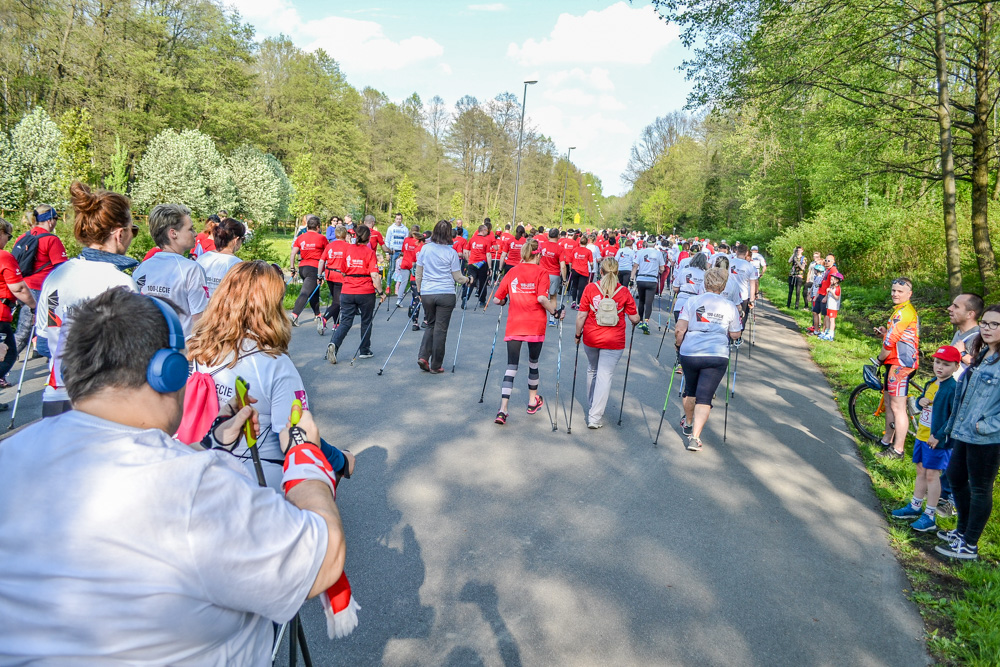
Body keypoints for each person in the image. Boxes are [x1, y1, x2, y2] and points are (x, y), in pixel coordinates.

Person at [0, 287, 348, 663]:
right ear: (169, 371)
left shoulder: (11, 451)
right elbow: (324, 559)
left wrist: (215, 437)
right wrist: (306, 457)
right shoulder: (196, 486)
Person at [188, 260, 353, 488]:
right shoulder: (275, 363)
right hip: (255, 478)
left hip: (197, 465)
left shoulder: (193, 348)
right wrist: (339, 460)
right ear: (272, 306)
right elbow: (295, 435)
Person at [35, 183, 138, 417]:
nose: (132, 235)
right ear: (119, 233)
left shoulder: (56, 276)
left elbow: (43, 343)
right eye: (134, 229)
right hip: (103, 399)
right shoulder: (120, 283)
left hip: (57, 395)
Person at [937, 305, 1000, 560]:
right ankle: (961, 531)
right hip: (964, 430)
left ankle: (970, 545)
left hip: (986, 436)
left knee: (980, 489)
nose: (987, 328)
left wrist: (983, 426)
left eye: (994, 324)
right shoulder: (983, 352)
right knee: (955, 477)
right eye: (985, 323)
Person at [492, 239, 564, 425]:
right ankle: (532, 402)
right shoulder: (542, 272)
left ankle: (503, 409)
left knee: (511, 366)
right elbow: (541, 297)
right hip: (535, 324)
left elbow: (496, 300)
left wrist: (503, 301)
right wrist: (555, 312)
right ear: (538, 254)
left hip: (515, 324)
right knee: (533, 363)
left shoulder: (512, 271)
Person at [890, 346, 960, 533]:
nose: (940, 367)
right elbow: (925, 399)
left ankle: (929, 516)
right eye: (937, 362)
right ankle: (915, 506)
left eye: (946, 365)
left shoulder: (952, 388)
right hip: (922, 435)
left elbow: (954, 416)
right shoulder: (932, 383)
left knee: (932, 475)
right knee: (920, 470)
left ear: (956, 367)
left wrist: (938, 435)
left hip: (937, 440)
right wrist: (921, 400)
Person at [674, 267, 742, 451]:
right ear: (723, 285)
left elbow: (680, 329)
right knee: (704, 397)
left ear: (705, 283)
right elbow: (735, 334)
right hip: (716, 353)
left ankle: (688, 422)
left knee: (690, 389)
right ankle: (695, 437)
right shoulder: (729, 306)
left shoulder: (692, 301)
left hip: (691, 351)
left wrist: (678, 345)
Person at [575, 257, 639, 429]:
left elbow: (581, 315)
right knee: (604, 375)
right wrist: (636, 319)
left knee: (592, 369)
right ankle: (594, 417)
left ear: (600, 271)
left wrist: (577, 334)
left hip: (591, 337)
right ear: (617, 272)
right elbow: (634, 317)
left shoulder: (590, 288)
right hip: (614, 340)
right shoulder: (624, 292)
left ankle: (592, 405)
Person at [134, 203, 209, 338]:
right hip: (180, 353)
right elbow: (200, 321)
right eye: (190, 229)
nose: (196, 233)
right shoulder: (191, 269)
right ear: (173, 233)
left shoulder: (141, 269)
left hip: (146, 350)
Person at [11, 204, 67, 356]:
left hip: (22, 288)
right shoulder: (51, 240)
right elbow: (62, 269)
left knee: (28, 331)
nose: (56, 222)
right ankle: (3, 366)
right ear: (50, 220)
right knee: (25, 333)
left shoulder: (23, 237)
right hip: (41, 292)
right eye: (56, 218)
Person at [416, 220, 470, 373]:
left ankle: (423, 356)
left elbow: (418, 273)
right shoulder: (451, 252)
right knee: (440, 329)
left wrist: (420, 291)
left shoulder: (425, 249)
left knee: (431, 324)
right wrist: (468, 280)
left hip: (427, 292)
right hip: (445, 293)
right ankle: (435, 365)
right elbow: (458, 277)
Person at [876, 277, 921, 459]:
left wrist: (879, 360)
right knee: (888, 403)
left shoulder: (905, 313)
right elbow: (893, 337)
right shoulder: (899, 311)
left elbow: (889, 343)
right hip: (894, 362)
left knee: (898, 407)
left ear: (909, 294)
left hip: (902, 365)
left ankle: (898, 450)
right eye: (893, 290)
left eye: (900, 291)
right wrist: (885, 333)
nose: (895, 294)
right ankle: (886, 440)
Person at [327, 224, 385, 364]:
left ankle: (334, 344)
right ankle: (364, 350)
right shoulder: (370, 252)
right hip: (365, 291)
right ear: (368, 238)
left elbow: (342, 270)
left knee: (346, 321)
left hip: (347, 290)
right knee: (366, 320)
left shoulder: (347, 249)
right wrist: (381, 292)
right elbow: (375, 275)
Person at [0, 218, 37, 407]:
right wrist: (34, 306)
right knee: (8, 355)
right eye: (8, 235)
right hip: (0, 315)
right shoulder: (3, 256)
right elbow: (19, 288)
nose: (8, 240)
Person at [289, 215, 327, 327]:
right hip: (314, 268)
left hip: (303, 267)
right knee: (305, 292)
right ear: (318, 227)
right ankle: (294, 315)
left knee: (313, 291)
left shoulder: (301, 237)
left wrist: (292, 268)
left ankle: (318, 314)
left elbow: (293, 253)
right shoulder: (322, 238)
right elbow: (327, 255)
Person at [195, 218, 245, 298]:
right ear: (236, 240)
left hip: (199, 308)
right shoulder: (237, 264)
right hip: (223, 309)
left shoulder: (202, 258)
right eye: (242, 239)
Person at [317, 224, 349, 335]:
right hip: (341, 276)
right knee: (338, 302)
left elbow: (321, 261)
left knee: (335, 300)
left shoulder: (330, 246)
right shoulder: (348, 246)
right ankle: (325, 319)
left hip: (329, 275)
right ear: (345, 235)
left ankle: (337, 323)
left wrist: (319, 275)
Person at [631, 239, 665, 334]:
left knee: (641, 301)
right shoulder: (658, 254)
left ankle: (640, 321)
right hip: (652, 280)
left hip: (641, 279)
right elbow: (662, 268)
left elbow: (635, 266)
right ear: (655, 243)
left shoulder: (640, 252)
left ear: (646, 243)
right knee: (649, 302)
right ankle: (646, 321)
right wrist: (659, 271)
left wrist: (631, 278)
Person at [948, 292, 985, 378]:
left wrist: (963, 354)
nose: (949, 308)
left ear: (970, 314)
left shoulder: (981, 337)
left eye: (956, 306)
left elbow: (982, 370)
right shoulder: (959, 333)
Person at [399, 225, 424, 329]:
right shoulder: (427, 249)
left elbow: (414, 264)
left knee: (415, 299)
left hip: (414, 277)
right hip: (425, 278)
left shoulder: (416, 249)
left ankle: (415, 322)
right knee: (426, 300)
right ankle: (426, 321)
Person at [672, 251, 708, 324]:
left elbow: (675, 288)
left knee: (679, 330)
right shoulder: (705, 275)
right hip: (696, 304)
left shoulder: (684, 271)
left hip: (681, 303)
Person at [539, 229, 566, 325]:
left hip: (542, 273)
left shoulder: (542, 245)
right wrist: (564, 279)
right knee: (553, 297)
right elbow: (562, 266)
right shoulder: (560, 249)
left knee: (540, 295)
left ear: (549, 236)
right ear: (558, 236)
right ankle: (552, 318)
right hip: (554, 274)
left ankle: (538, 317)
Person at [462, 225, 492, 309]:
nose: (488, 232)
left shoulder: (472, 239)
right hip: (482, 264)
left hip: (472, 263)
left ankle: (465, 297)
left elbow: (466, 251)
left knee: (470, 281)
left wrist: (468, 261)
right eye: (487, 231)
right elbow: (488, 255)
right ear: (484, 230)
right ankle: (482, 301)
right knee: (482, 283)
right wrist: (490, 267)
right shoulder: (487, 240)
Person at [810, 254, 837, 334]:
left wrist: (826, 296)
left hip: (826, 295)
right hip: (820, 293)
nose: (826, 262)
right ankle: (816, 330)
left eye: (828, 261)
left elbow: (833, 284)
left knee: (825, 315)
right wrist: (817, 294)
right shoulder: (827, 270)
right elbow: (822, 283)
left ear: (833, 262)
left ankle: (823, 332)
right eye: (825, 260)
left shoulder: (833, 270)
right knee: (815, 312)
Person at [568, 235, 593, 309]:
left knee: (574, 286)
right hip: (583, 271)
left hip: (575, 270)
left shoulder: (575, 250)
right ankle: (579, 303)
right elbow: (591, 263)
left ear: (579, 242)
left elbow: (570, 261)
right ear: (587, 243)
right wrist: (592, 268)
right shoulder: (588, 251)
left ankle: (573, 302)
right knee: (581, 288)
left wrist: (570, 268)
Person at [386, 213, 408, 288]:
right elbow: (387, 241)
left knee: (400, 269)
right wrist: (387, 253)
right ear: (395, 219)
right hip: (393, 251)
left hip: (401, 252)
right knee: (392, 269)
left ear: (401, 219)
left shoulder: (405, 229)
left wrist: (405, 252)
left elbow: (406, 241)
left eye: (400, 219)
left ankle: (398, 286)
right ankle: (388, 286)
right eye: (397, 219)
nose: (398, 220)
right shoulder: (391, 228)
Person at [818, 272, 842, 341]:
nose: (831, 281)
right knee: (827, 318)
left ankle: (831, 334)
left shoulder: (837, 288)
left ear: (837, 280)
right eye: (830, 279)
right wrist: (825, 297)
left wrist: (831, 291)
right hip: (829, 305)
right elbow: (828, 294)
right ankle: (827, 331)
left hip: (833, 306)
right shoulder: (831, 287)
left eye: (832, 280)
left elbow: (837, 297)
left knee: (832, 319)